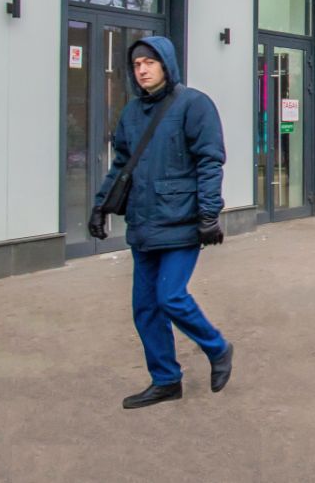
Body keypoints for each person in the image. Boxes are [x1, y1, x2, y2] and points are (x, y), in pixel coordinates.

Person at [89, 36, 233, 410]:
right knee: (146, 308)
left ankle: (217, 347)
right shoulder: (132, 113)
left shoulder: (194, 105)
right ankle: (166, 379)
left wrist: (209, 213)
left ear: (166, 64)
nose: (142, 70)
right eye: (137, 65)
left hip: (181, 222)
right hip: (143, 223)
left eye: (149, 63)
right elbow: (122, 166)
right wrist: (100, 206)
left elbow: (210, 161)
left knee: (171, 297)